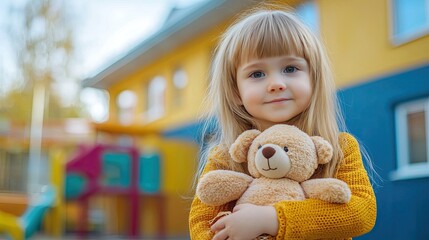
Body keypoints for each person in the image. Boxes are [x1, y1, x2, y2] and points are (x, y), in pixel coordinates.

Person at [189, 6, 377, 240]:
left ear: (313, 79)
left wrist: (272, 219)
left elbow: (361, 213)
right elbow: (201, 224)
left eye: (290, 68)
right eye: (257, 74)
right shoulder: (225, 157)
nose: (276, 83)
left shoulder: (339, 148)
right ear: (235, 91)